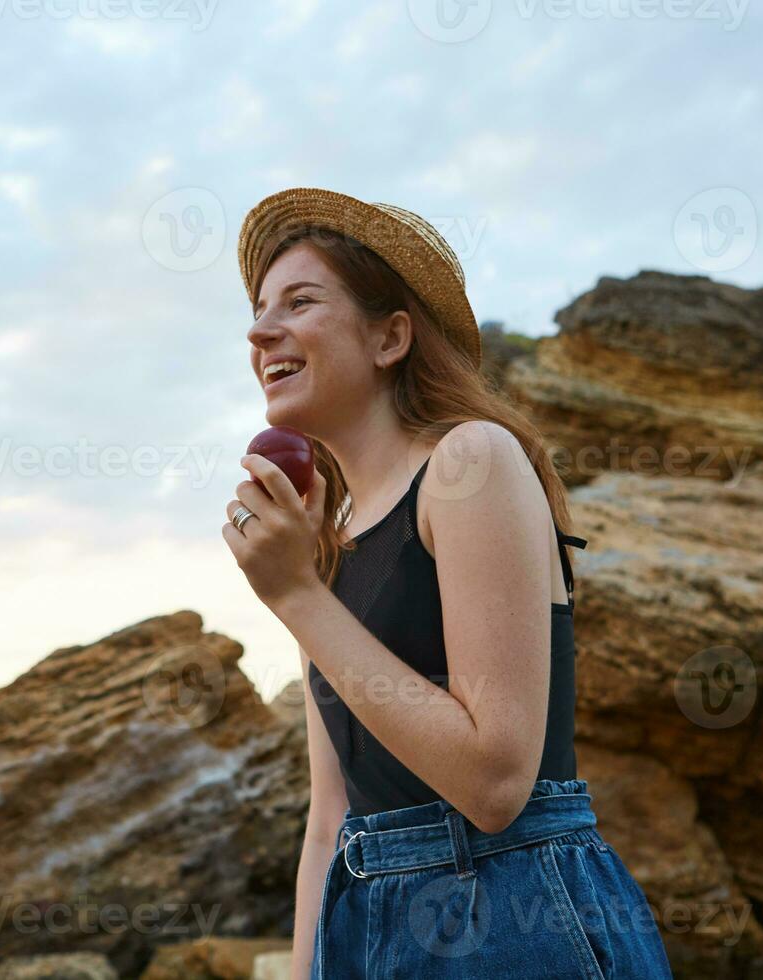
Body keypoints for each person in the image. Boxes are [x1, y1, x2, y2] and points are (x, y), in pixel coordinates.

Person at [221, 187, 674, 979]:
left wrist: (294, 597)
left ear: (391, 336)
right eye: (261, 309)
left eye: (300, 300)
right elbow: (330, 820)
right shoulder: (325, 552)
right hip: (364, 927)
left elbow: (495, 781)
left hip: (515, 915)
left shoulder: (471, 461)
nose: (261, 331)